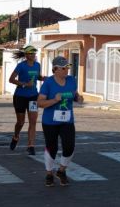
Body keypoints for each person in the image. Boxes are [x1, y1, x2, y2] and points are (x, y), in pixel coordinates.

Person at [37, 56, 83, 187]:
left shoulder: (71, 80)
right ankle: (49, 173)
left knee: (69, 147)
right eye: (63, 68)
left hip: (67, 120)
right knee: (52, 147)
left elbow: (74, 94)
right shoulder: (48, 83)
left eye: (67, 67)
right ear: (55, 69)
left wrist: (78, 98)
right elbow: (40, 103)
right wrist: (54, 100)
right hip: (50, 121)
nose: (66, 70)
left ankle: (61, 171)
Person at [9, 45, 45, 155]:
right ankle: (16, 136)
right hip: (20, 96)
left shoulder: (37, 65)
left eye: (34, 53)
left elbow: (37, 76)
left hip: (33, 96)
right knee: (21, 122)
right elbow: (11, 79)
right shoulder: (21, 66)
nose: (34, 55)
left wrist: (43, 78)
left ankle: (31, 146)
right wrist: (24, 84)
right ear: (26, 55)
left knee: (33, 121)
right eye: (31, 53)